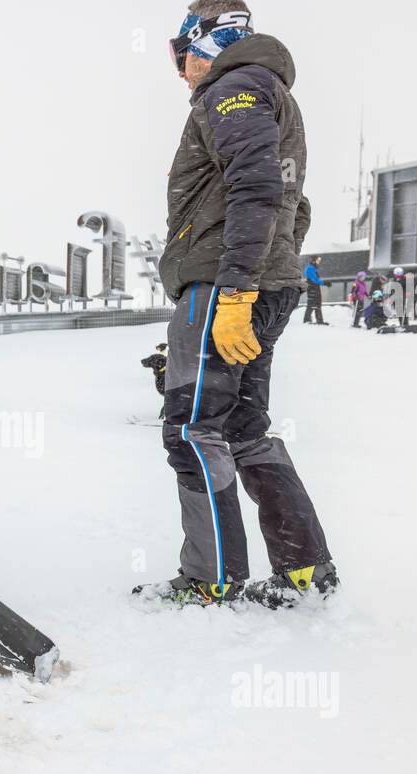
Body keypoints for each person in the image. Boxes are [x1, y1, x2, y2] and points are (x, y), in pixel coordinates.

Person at [138, 0, 336, 610]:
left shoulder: (235, 88)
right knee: (245, 429)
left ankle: (212, 578)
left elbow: (259, 185)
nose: (179, 73)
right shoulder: (269, 89)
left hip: (224, 286)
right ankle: (304, 569)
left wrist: (236, 290)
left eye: (180, 55)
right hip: (259, 282)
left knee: (194, 429)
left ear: (204, 41)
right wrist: (270, 272)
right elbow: (293, 206)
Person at [302, 256, 330, 325]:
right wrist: (324, 283)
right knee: (311, 304)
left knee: (317, 304)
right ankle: (307, 320)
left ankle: (319, 320)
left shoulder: (313, 269)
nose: (318, 262)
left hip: (315, 287)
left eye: (319, 261)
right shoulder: (310, 268)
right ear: (313, 261)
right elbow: (314, 280)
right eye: (317, 261)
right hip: (312, 287)